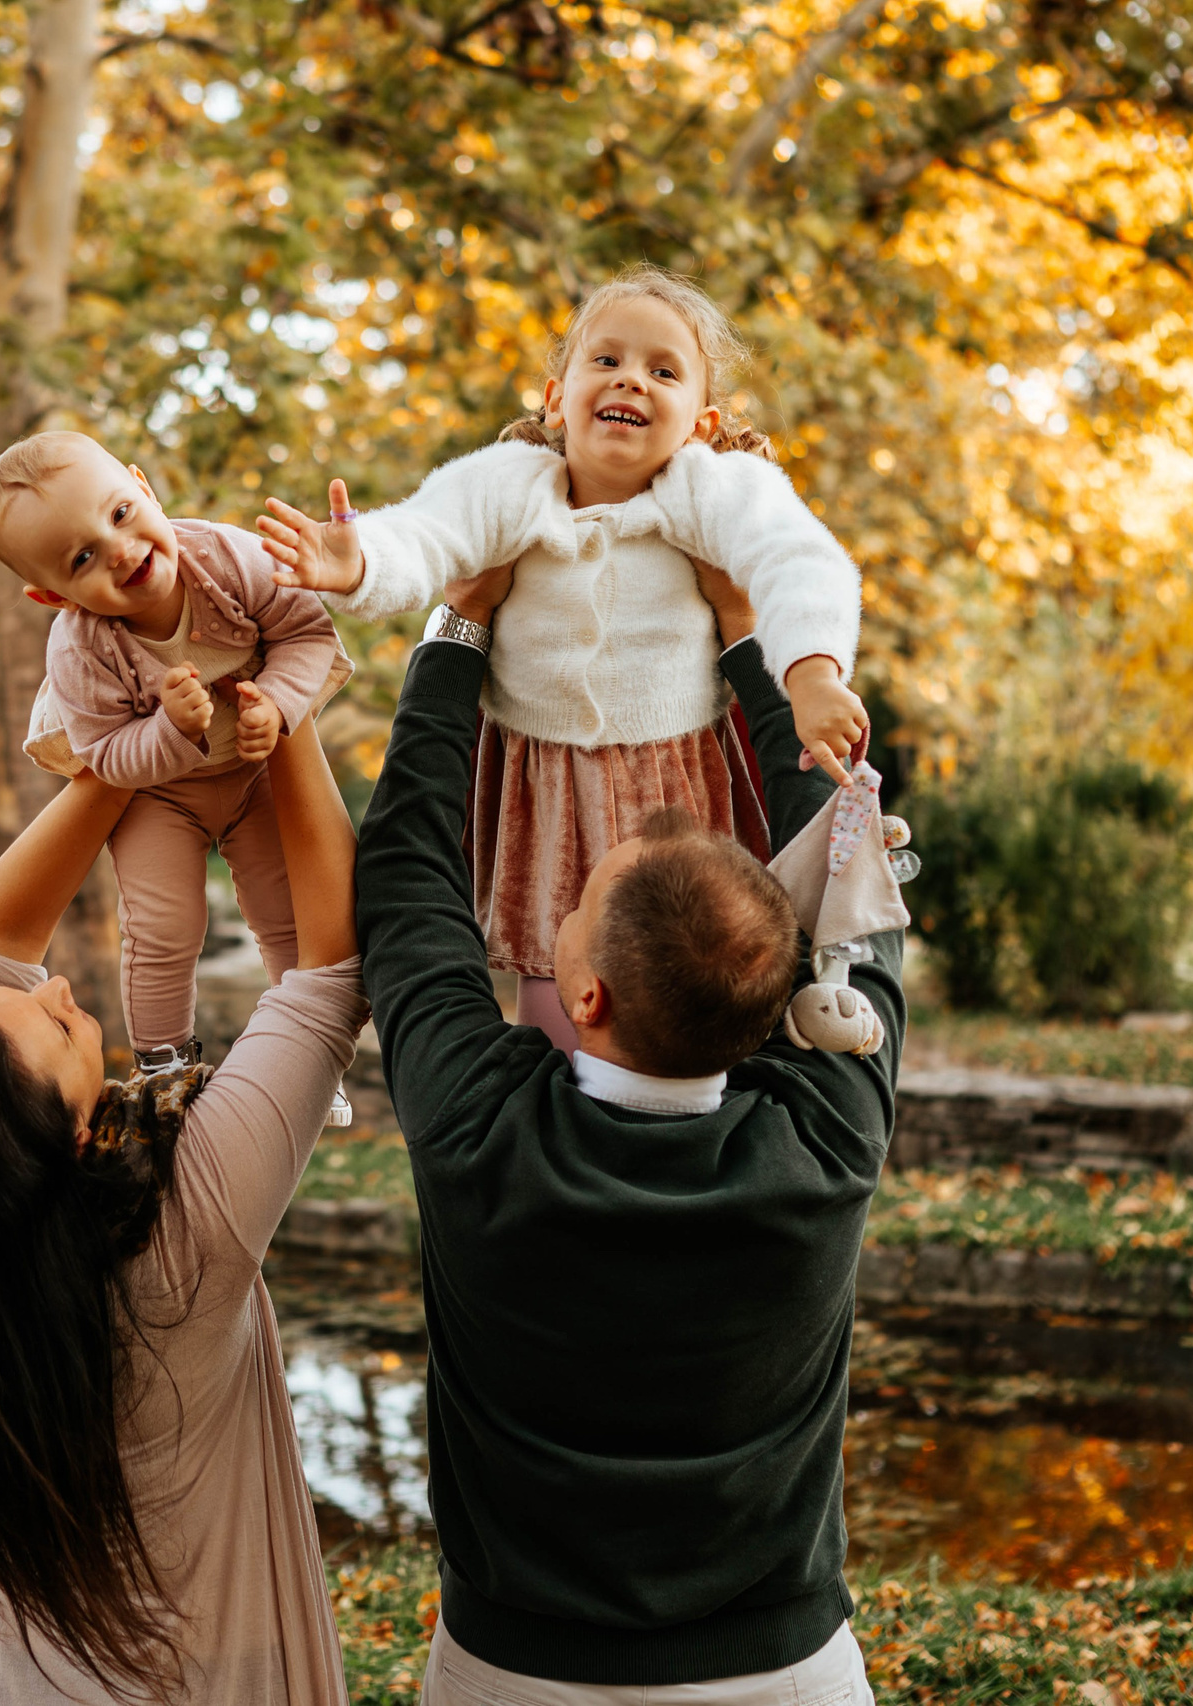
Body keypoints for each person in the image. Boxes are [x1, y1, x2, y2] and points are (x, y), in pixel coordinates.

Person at [352, 564, 908, 1705]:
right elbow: (853, 876)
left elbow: (407, 874)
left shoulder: (479, 1125)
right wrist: (753, 640)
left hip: (515, 1678)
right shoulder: (827, 1137)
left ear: (586, 995)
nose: (558, 914)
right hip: (787, 1678)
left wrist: (463, 621)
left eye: (575, 908)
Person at [0, 718, 367, 1705]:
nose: (61, 986)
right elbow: (331, 973)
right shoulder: (186, 1225)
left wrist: (134, 748)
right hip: (201, 1673)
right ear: (73, 1139)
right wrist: (283, 703)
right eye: (62, 1022)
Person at [259, 264, 867, 1049]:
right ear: (555, 398)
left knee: (690, 964)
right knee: (561, 967)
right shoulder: (512, 485)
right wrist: (358, 562)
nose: (631, 379)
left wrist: (812, 672)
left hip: (673, 781)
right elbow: (427, 531)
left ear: (701, 424)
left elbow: (796, 556)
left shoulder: (714, 489)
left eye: (664, 371)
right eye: (606, 360)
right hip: (543, 780)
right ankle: (561, 1084)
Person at [0, 429, 353, 1112]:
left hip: (253, 772)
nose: (120, 550)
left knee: (285, 913)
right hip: (159, 795)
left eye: (120, 513)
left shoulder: (226, 559)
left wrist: (277, 700)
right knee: (162, 930)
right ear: (55, 596)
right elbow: (105, 756)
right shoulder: (81, 649)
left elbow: (306, 632)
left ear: (144, 487)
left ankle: (308, 1055)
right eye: (83, 557)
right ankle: (163, 1074)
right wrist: (169, 731)